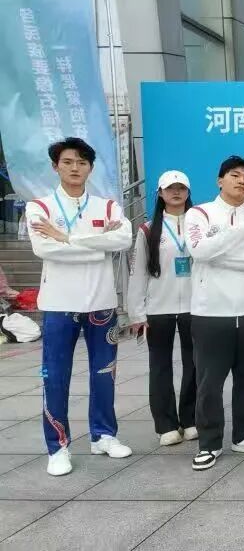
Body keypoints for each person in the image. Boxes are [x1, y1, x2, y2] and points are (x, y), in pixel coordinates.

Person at [27, 138, 134, 476]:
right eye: (68, 161)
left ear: (90, 167)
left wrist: (67, 238)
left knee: (104, 374)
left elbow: (123, 240)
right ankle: (57, 447)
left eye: (82, 162)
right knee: (55, 377)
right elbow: (45, 249)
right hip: (59, 304)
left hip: (102, 304)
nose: (75, 168)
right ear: (55, 166)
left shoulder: (107, 207)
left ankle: (103, 435)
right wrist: (97, 245)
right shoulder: (39, 207)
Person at [186, 155, 244, 470]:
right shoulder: (199, 214)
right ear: (220, 180)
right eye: (235, 175)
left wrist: (219, 257)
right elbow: (199, 250)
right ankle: (209, 442)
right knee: (209, 382)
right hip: (211, 313)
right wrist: (240, 233)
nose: (242, 181)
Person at [126, 170, 197, 447]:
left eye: (181, 188)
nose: (176, 192)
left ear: (188, 192)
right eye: (170, 188)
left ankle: (190, 419)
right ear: (160, 193)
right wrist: (136, 312)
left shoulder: (198, 224)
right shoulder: (148, 229)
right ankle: (166, 424)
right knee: (159, 367)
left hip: (195, 307)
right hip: (158, 307)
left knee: (195, 365)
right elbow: (138, 273)